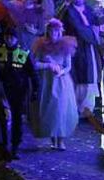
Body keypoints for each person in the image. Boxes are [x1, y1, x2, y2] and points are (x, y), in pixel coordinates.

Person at [32, 18, 78, 151]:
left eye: (57, 32)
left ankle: (61, 139)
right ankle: (53, 138)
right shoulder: (41, 46)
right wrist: (48, 65)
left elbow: (68, 66)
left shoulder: (65, 46)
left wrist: (61, 71)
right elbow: (35, 64)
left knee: (61, 108)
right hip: (47, 81)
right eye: (52, 32)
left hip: (61, 82)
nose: (54, 35)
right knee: (49, 108)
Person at [0, 26, 38, 159]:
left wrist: (35, 90)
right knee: (2, 119)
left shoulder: (23, 53)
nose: (9, 39)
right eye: (7, 37)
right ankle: (3, 145)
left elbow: (33, 73)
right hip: (1, 91)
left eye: (11, 37)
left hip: (18, 91)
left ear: (16, 38)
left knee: (17, 119)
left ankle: (14, 147)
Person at [62, 0, 101, 115]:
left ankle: (87, 109)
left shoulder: (89, 10)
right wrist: (94, 34)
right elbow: (79, 28)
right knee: (79, 76)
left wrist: (99, 31)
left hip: (89, 49)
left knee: (90, 77)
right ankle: (78, 110)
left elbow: (96, 24)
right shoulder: (70, 12)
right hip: (77, 48)